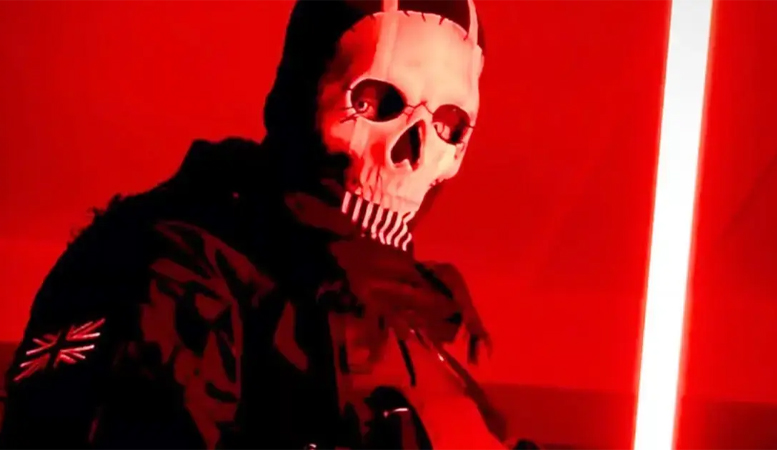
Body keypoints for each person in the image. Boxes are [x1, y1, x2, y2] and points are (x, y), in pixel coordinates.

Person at [0, 0, 538, 448]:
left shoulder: (419, 325)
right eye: (376, 101)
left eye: (449, 124)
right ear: (303, 92)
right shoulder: (175, 263)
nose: (415, 152)